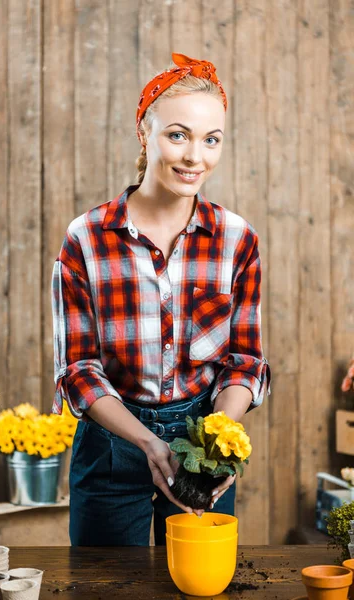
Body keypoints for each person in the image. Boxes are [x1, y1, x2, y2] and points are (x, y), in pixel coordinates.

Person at [51, 53, 271, 547]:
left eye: (211, 139)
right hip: (111, 448)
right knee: (105, 587)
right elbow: (79, 369)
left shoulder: (237, 240)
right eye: (178, 135)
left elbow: (246, 362)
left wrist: (215, 440)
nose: (196, 157)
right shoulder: (86, 238)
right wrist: (147, 442)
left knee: (198, 583)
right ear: (144, 134)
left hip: (200, 444)